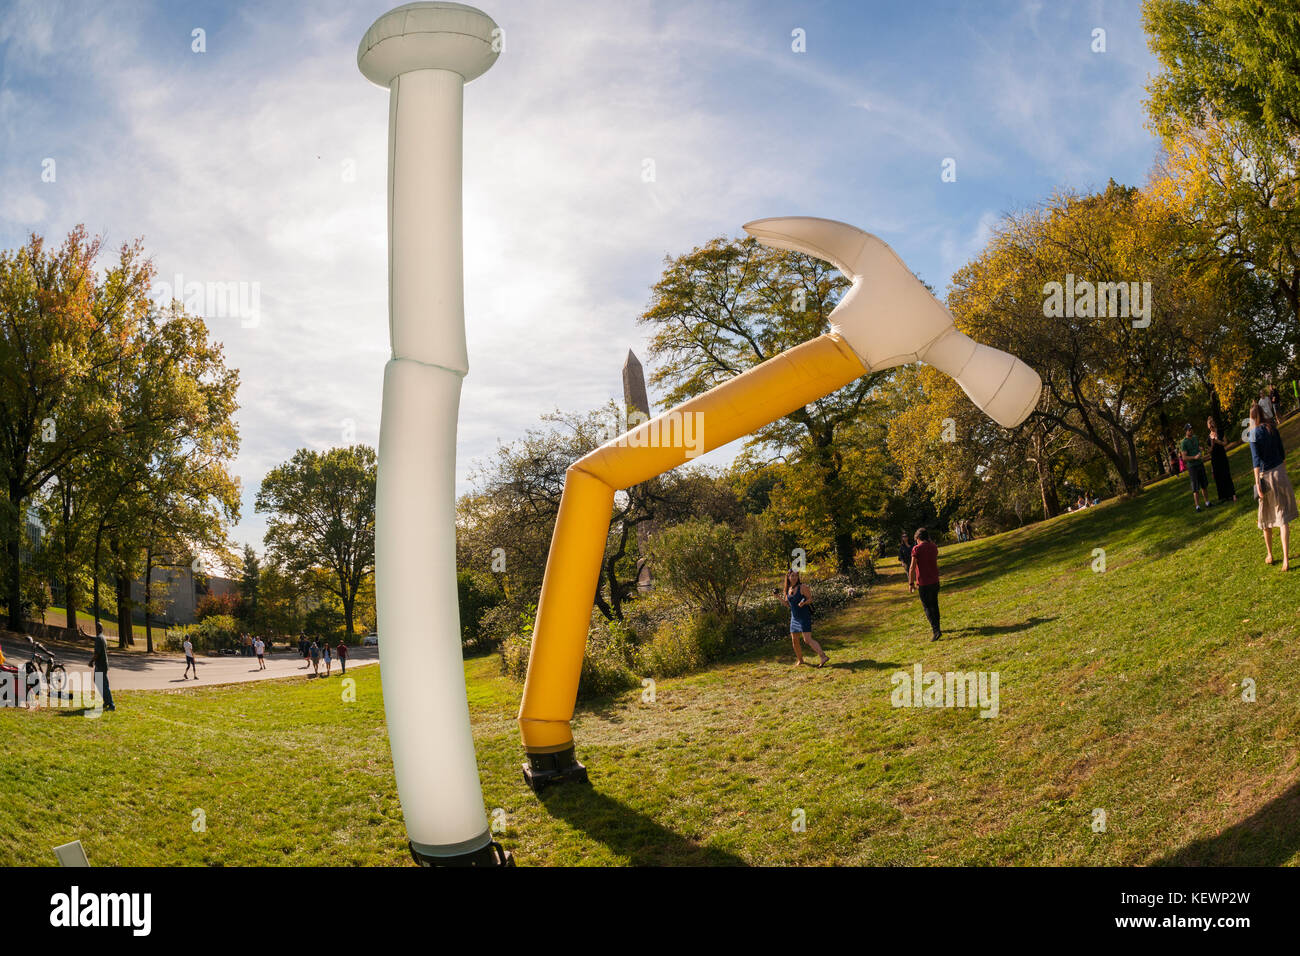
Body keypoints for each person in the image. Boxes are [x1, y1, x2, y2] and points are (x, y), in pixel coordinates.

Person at [1248, 402, 1298, 569]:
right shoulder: (1272, 428)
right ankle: (1285, 558)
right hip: (1280, 473)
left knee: (1266, 518)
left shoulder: (1253, 434)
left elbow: (1256, 461)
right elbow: (1282, 453)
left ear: (1252, 417)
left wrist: (1257, 482)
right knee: (1282, 517)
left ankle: (1270, 554)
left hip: (1266, 476)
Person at [779, 571, 828, 667]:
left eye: (796, 576)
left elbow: (810, 599)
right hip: (794, 618)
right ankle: (800, 660)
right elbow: (788, 604)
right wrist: (778, 597)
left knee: (807, 640)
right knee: (794, 640)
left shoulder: (803, 587)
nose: (794, 578)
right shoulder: (788, 589)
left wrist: (804, 603)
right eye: (792, 576)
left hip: (804, 617)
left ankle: (823, 656)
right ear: (788, 577)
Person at [908, 527, 942, 642]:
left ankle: (936, 630)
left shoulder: (916, 549)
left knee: (927, 607)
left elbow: (912, 567)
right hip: (935, 580)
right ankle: (938, 627)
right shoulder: (933, 546)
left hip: (923, 582)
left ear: (918, 538)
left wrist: (911, 583)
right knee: (934, 604)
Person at [1179, 423, 1212, 512]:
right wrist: (1194, 457)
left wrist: (1200, 449)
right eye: (1189, 429)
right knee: (1195, 487)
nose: (1191, 431)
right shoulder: (1184, 443)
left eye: (1191, 429)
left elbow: (1197, 447)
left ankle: (1207, 502)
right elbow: (1184, 457)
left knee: (1204, 484)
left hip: (1200, 464)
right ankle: (1197, 506)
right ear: (1186, 431)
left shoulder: (1195, 438)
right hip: (1192, 467)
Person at [1206, 418, 1236, 503]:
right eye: (1209, 424)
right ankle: (1224, 496)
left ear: (1214, 423)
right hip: (1215, 459)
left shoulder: (1220, 431)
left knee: (1226, 474)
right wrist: (1212, 445)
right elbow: (1209, 451)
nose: (1211, 425)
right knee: (1218, 477)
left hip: (1222, 456)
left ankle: (1232, 494)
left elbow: (1225, 442)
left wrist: (1218, 442)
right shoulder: (1208, 438)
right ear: (1208, 426)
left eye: (1212, 423)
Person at [89, 623, 114, 711]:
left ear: (98, 629)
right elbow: (94, 639)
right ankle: (107, 701)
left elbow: (97, 653)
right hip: (103, 665)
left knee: (103, 685)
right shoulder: (102, 637)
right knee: (100, 683)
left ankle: (111, 705)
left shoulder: (99, 639)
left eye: (97, 628)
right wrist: (84, 635)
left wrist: (91, 661)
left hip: (100, 665)